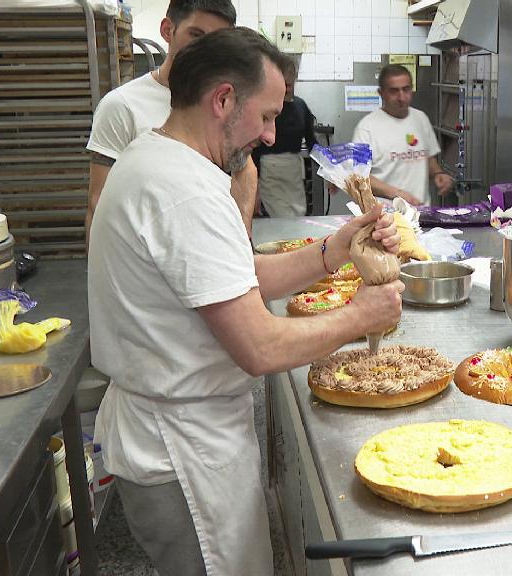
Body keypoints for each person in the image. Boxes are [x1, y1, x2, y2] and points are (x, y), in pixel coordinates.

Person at [88, 28, 404, 576]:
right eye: (265, 116)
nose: (270, 133)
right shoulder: (181, 190)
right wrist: (360, 316)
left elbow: (236, 277)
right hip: (183, 451)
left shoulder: (161, 162)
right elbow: (258, 345)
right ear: (223, 100)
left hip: (180, 429)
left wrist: (337, 249)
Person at [84, 0, 258, 245]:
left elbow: (245, 169)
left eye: (216, 41)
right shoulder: (122, 106)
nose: (206, 51)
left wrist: (241, 236)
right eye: (196, 35)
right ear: (167, 30)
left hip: (211, 253)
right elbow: (98, 202)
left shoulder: (222, 104)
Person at [353, 64, 455, 206]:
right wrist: (397, 194)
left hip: (421, 213)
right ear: (381, 93)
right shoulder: (366, 128)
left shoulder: (421, 119)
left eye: (406, 89)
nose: (401, 97)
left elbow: (428, 157)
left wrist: (438, 174)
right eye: (394, 91)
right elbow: (359, 178)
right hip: (384, 217)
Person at [251, 58, 319, 217]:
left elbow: (312, 143)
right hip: (269, 170)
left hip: (293, 171)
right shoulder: (266, 107)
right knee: (279, 217)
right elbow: (255, 148)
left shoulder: (300, 106)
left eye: (290, 84)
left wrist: (330, 170)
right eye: (284, 84)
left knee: (297, 215)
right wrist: (254, 188)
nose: (287, 88)